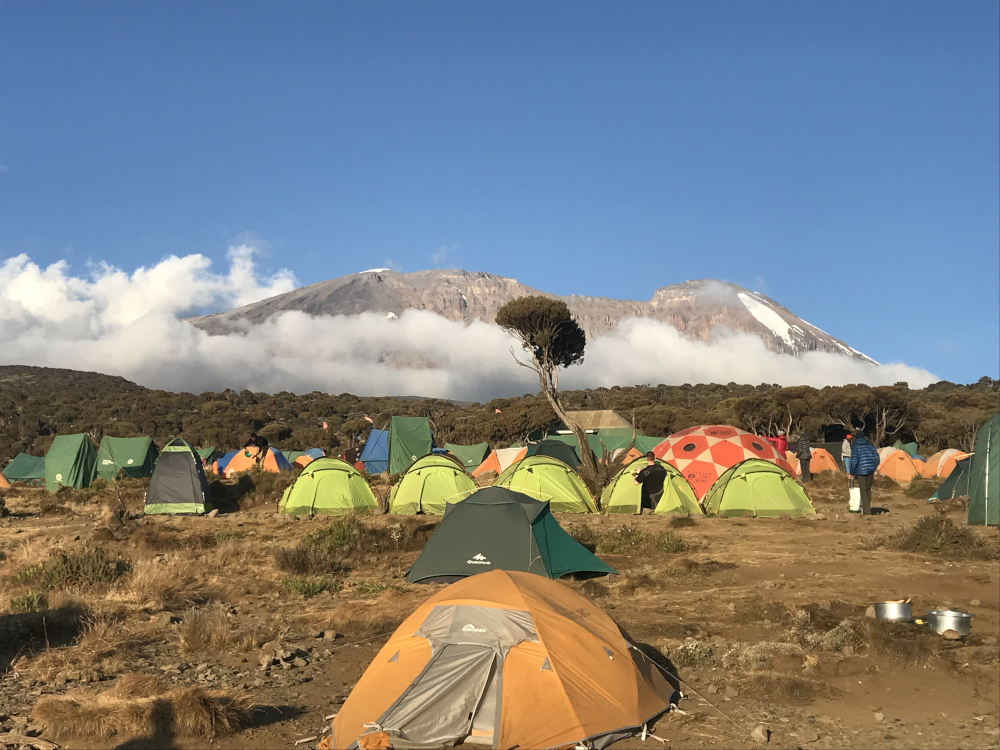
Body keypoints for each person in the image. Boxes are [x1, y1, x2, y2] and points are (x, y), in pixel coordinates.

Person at [849, 432, 880, 515]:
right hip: (870, 470)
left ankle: (867, 511)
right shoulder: (870, 446)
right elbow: (877, 458)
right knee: (868, 489)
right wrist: (873, 467)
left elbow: (854, 461)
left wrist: (852, 472)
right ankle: (867, 508)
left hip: (860, 471)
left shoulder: (855, 447)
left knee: (863, 491)